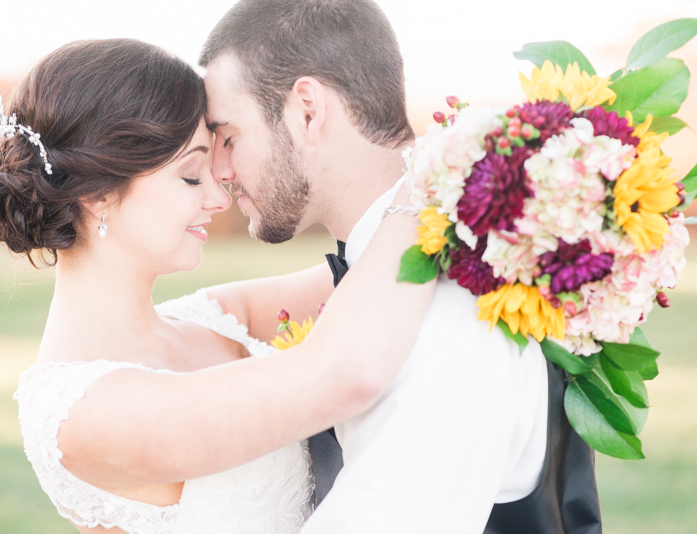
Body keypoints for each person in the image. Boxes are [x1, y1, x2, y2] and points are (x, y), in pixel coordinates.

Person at [0, 38, 436, 534]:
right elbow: (346, 374)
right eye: (190, 176)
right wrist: (429, 178)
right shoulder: (82, 417)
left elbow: (362, 269)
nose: (217, 198)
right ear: (97, 193)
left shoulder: (214, 320)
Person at [200, 0, 602, 532]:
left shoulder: (450, 318)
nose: (219, 170)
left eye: (227, 136)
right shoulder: (392, 279)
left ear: (307, 110)